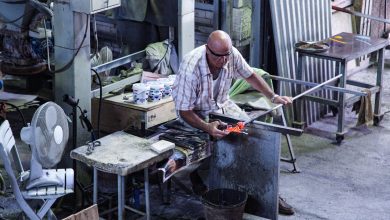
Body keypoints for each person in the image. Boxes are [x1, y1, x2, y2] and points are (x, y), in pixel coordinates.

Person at [172, 30, 294, 215]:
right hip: (196, 114)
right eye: (218, 57)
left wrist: (273, 96)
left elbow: (250, 75)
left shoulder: (230, 54)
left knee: (249, 133)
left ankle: (268, 194)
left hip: (222, 105)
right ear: (207, 50)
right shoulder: (191, 67)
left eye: (226, 55)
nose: (223, 61)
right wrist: (207, 127)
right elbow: (184, 111)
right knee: (203, 148)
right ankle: (198, 178)